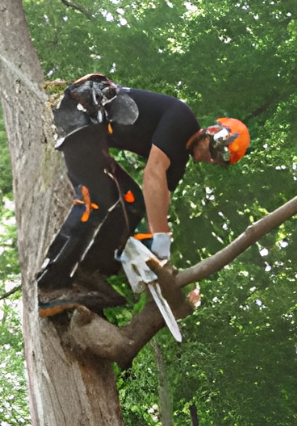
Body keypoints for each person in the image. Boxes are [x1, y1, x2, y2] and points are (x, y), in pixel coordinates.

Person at [37, 74, 249, 312]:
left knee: (133, 202)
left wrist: (159, 259)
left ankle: (91, 271)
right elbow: (153, 175)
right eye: (214, 151)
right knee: (98, 198)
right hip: (80, 120)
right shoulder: (182, 119)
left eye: (217, 161)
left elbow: (160, 199)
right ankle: (49, 284)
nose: (211, 159)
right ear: (211, 132)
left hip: (95, 140)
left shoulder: (178, 162)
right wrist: (160, 236)